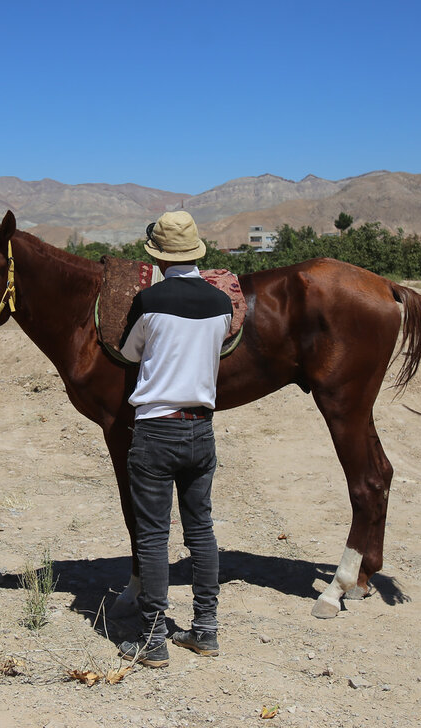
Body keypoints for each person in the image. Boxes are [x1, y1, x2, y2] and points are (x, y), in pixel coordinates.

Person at [116, 211, 232, 667]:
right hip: (201, 429)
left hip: (156, 430)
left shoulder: (149, 301)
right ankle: (205, 629)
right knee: (200, 530)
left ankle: (152, 639)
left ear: (158, 257)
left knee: (152, 535)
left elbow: (129, 353)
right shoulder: (222, 304)